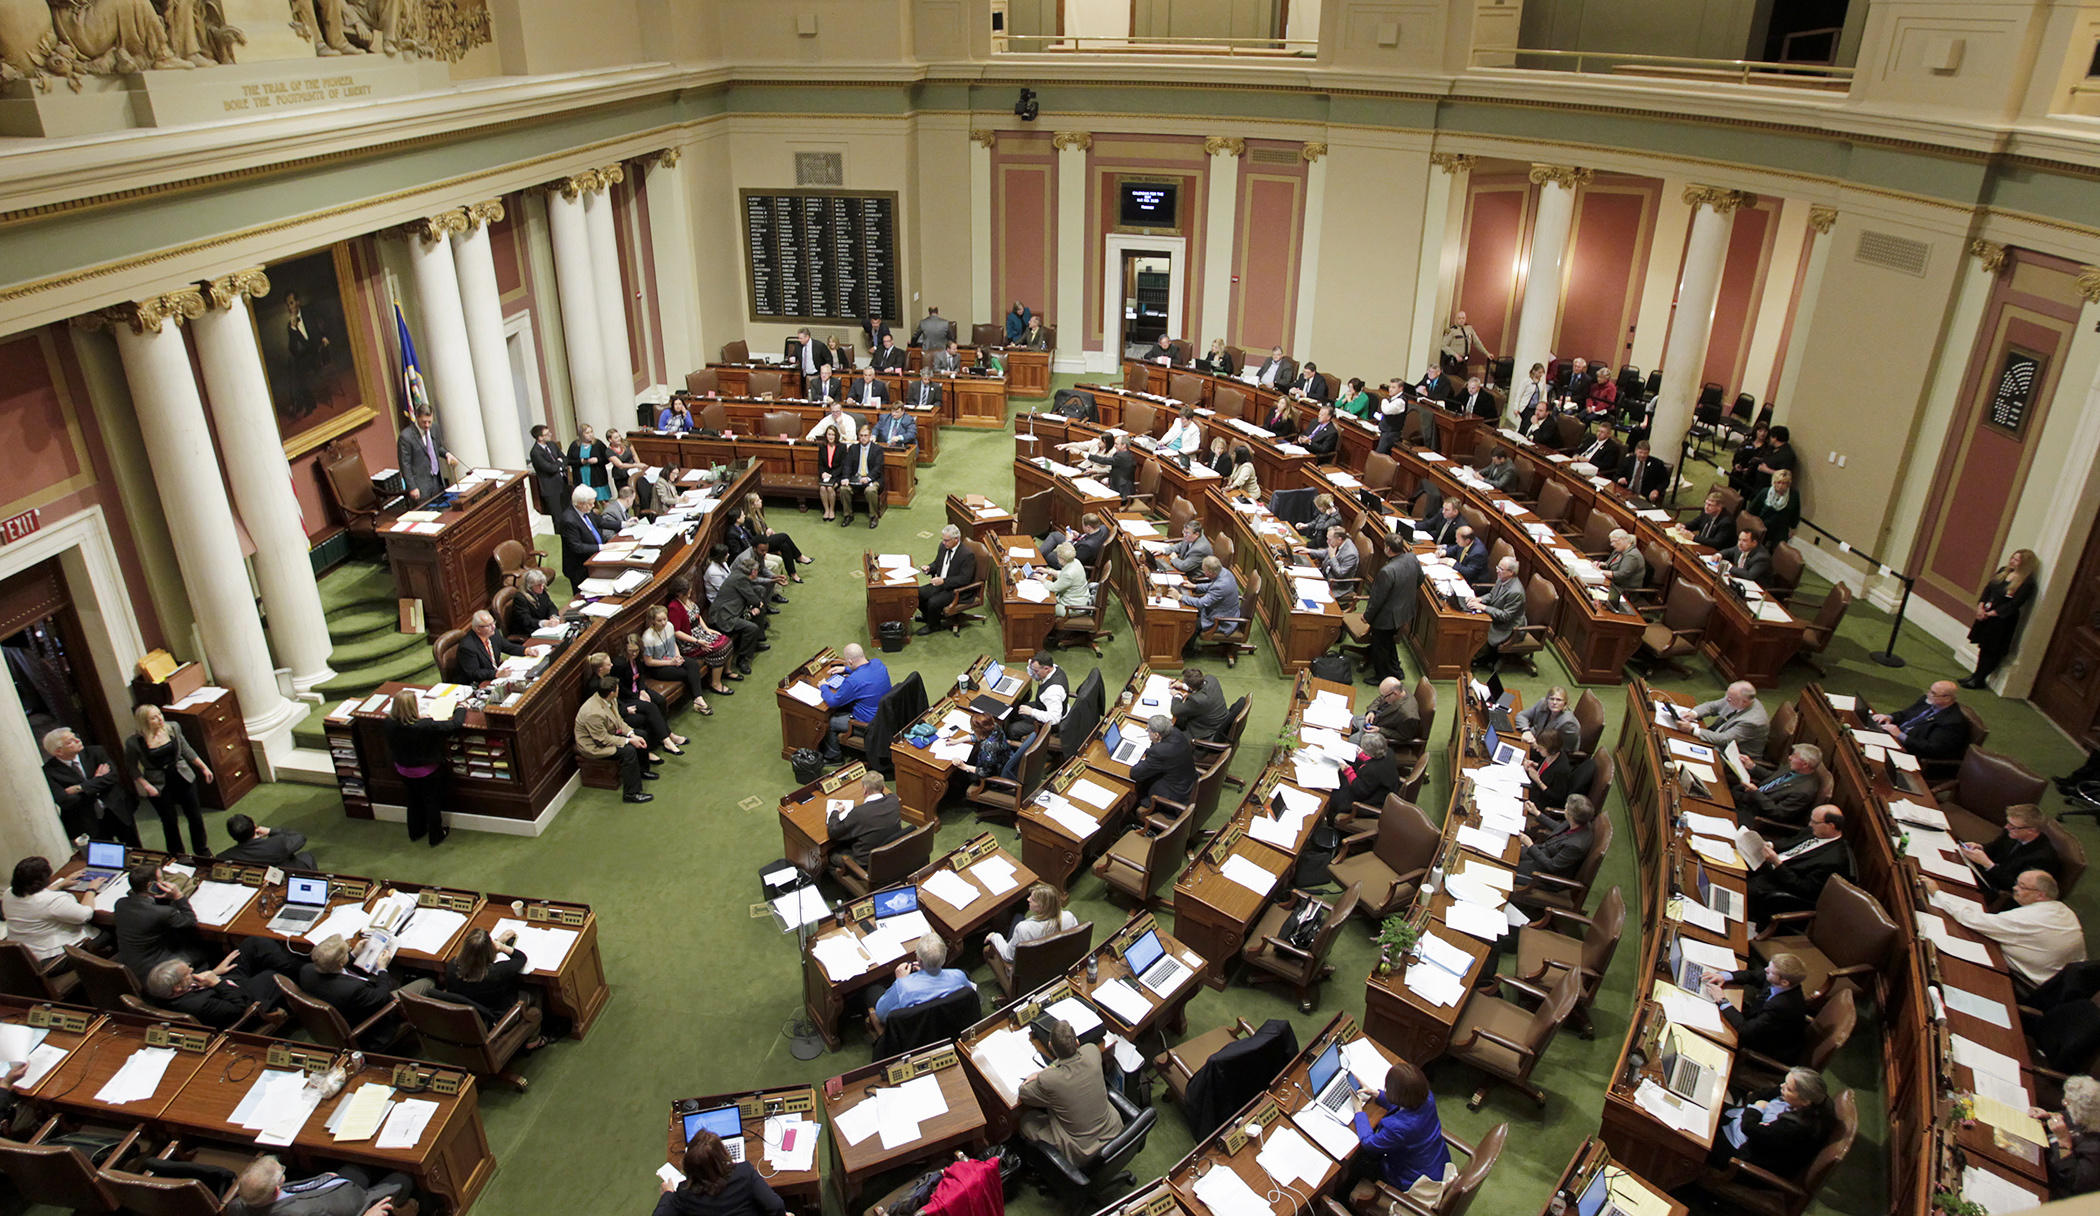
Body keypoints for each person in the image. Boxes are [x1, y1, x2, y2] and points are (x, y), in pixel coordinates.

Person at [1928, 869, 2088, 989]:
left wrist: (1937, 893)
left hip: (2026, 983)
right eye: (2017, 883)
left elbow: (1973, 920)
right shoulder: (2064, 911)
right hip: (2056, 980)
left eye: (2022, 886)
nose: (2015, 888)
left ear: (2040, 895)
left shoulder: (2028, 918)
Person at [299, 932, 435, 1046]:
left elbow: (334, 970)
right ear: (341, 963)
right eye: (346, 951)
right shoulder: (353, 989)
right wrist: (382, 968)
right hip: (374, 1025)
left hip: (346, 1008)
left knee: (396, 970)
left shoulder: (306, 970)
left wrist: (353, 954)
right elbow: (382, 997)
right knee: (427, 982)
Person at [1018, 1018, 1124, 1163]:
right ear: (1077, 1042)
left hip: (1083, 1150)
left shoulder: (1049, 1079)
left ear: (1050, 1046)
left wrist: (1041, 1073)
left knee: (1026, 1121)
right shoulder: (1092, 1051)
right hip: (1114, 1130)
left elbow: (1024, 1093)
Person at [144, 938, 300, 1029]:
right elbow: (239, 1008)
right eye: (188, 973)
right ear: (177, 988)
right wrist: (217, 982)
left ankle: (297, 966)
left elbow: (194, 985)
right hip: (243, 999)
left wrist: (216, 972)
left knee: (252, 944)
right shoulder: (201, 1006)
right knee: (272, 975)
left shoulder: (162, 990)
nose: (193, 971)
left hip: (222, 984)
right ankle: (304, 975)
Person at [1708, 1067, 1833, 1179]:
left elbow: (1750, 1128)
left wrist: (1758, 1108)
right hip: (1740, 1119)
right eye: (1784, 1082)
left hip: (1744, 1155)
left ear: (1805, 1102)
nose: (1782, 1087)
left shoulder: (1796, 1127)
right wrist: (1758, 1111)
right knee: (1704, 1103)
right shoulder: (1793, 1093)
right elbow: (1756, 1095)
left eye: (1788, 1088)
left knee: (1698, 1136)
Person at [1350, 1060, 1451, 1194]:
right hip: (1436, 1163)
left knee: (1357, 1164)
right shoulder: (1427, 1098)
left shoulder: (1399, 1127)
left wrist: (1358, 1111)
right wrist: (1376, 1094)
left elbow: (1369, 1144)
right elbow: (1407, 1103)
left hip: (1412, 1180)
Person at [124, 703, 212, 855]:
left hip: (182, 776)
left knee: (194, 816)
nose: (160, 719)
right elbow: (131, 767)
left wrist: (203, 767)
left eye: (160, 714)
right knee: (169, 821)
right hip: (158, 783)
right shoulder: (134, 742)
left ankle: (202, 851)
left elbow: (186, 749)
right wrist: (146, 785)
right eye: (154, 717)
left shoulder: (173, 728)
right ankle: (178, 855)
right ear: (144, 722)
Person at [383, 688, 465, 846]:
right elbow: (455, 724)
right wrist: (461, 708)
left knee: (412, 800)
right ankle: (436, 835)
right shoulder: (424, 725)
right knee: (431, 801)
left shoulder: (389, 723)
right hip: (426, 770)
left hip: (403, 769)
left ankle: (415, 832)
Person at [441, 926, 547, 1048]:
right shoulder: (495, 972)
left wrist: (497, 941)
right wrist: (501, 946)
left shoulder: (452, 966)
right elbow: (520, 958)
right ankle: (533, 1039)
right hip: (496, 1019)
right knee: (536, 988)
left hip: (468, 1017)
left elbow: (475, 956)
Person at [1746, 807, 1852, 924]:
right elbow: (1790, 842)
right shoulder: (1815, 831)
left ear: (1830, 826)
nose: (1810, 825)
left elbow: (1804, 888)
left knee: (1739, 888)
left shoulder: (1833, 860)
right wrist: (1770, 845)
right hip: (1768, 865)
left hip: (1778, 883)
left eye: (1814, 822)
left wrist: (1777, 863)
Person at [1701, 953, 1811, 1063]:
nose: (1766, 970)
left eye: (1771, 971)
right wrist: (1724, 976)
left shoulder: (1782, 1006)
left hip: (1768, 1047)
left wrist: (1722, 1000)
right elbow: (1753, 975)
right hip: (1757, 1022)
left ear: (1784, 982)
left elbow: (1746, 1030)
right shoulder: (1781, 981)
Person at [226, 1155, 415, 1216]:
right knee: (405, 1177)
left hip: (334, 1187)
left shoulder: (238, 1205)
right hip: (360, 1205)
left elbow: (298, 1189)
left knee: (359, 1163)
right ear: (275, 1189)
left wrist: (321, 1180)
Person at [655, 1128, 785, 1216]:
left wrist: (668, 1194)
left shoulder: (684, 1194)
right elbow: (776, 1206)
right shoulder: (744, 1173)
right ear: (722, 1155)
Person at [44, 727, 138, 845]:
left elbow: (112, 777)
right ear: (59, 751)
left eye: (75, 737)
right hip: (89, 820)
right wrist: (97, 781)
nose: (78, 740)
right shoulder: (50, 771)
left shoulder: (96, 752)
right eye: (70, 741)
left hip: (116, 809)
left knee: (134, 848)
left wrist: (80, 788)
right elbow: (65, 801)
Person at [113, 861, 207, 977]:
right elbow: (190, 921)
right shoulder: (162, 912)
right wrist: (178, 896)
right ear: (150, 886)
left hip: (130, 963)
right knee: (204, 952)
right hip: (156, 970)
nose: (164, 882)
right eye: (161, 879)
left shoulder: (120, 903)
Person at [867, 936, 972, 1037]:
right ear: (944, 958)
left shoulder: (903, 987)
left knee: (872, 990)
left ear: (919, 959)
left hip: (915, 1036)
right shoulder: (959, 976)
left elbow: (881, 1015)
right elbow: (969, 998)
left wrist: (899, 981)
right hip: (948, 1028)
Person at [1967, 547, 2039, 688]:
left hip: (2002, 621)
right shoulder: (2003, 571)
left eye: (2016, 560)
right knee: (1983, 646)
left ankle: (1981, 678)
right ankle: (1975, 674)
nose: (2012, 561)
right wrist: (1981, 607)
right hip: (1986, 614)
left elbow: (2015, 603)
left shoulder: (2027, 583)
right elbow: (1988, 589)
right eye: (2012, 557)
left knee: (1992, 649)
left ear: (2024, 564)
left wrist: (1992, 614)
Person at [4, 856, 101, 961]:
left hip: (26, 955)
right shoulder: (52, 901)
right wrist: (91, 889)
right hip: (55, 958)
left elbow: (33, 898)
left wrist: (60, 884)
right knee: (108, 933)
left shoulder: (8, 894)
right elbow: (85, 915)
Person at [1962, 805, 2059, 898]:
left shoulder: (2042, 858)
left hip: (1996, 889)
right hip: (1985, 874)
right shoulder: (2013, 832)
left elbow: (2016, 886)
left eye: (2012, 826)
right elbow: (1994, 847)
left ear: (2030, 830)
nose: (2006, 827)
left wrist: (1988, 865)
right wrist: (1980, 847)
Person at [664, 574, 736, 699]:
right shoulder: (674, 607)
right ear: (680, 593)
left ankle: (727, 671)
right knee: (720, 648)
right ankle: (715, 684)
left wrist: (707, 629)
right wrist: (698, 641)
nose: (690, 592)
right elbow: (676, 632)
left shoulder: (688, 599)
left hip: (700, 633)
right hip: (689, 641)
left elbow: (697, 616)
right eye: (688, 591)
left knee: (727, 640)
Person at [818, 644, 891, 763]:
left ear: (850, 661)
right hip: (885, 716)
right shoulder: (878, 663)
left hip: (868, 725)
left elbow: (833, 702)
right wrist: (845, 669)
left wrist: (824, 687)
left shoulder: (853, 681)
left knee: (830, 721)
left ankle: (833, 757)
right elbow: (865, 670)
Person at [1366, 533, 1423, 683]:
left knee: (1380, 646)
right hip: (1404, 611)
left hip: (1387, 617)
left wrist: (1366, 616)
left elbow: (1377, 599)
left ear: (1388, 548)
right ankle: (1396, 670)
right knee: (1389, 642)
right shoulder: (1412, 557)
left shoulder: (1387, 571)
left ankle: (1381, 676)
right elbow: (1420, 579)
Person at [1731, 744, 1828, 830]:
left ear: (1805, 764)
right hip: (1745, 798)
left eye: (1794, 756)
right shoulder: (1796, 769)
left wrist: (1755, 793)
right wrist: (1752, 767)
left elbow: (1778, 813)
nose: (1790, 758)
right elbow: (1773, 778)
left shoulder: (1803, 791)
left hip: (1754, 814)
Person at [1871, 680, 1972, 760]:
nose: (1928, 694)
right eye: (1930, 690)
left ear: (1947, 699)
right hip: (1892, 736)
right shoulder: (1926, 701)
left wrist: (1900, 735)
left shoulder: (1952, 722)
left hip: (1908, 750)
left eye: (1933, 693)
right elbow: (1904, 713)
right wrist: (1889, 717)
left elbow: (1932, 748)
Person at [830, 771, 907, 876]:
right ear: (883, 787)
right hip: (890, 854)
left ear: (865, 789)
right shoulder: (893, 800)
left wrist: (835, 812)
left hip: (866, 865)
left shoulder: (859, 813)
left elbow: (833, 832)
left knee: (832, 854)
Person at [641, 606, 713, 717]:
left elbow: (673, 643)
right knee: (686, 674)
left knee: (692, 664)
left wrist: (678, 655)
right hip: (658, 667)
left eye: (665, 619)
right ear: (652, 621)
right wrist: (670, 663)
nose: (663, 623)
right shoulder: (648, 638)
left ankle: (698, 699)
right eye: (659, 621)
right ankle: (698, 700)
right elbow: (649, 662)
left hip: (673, 659)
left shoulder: (669, 626)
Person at [1514, 795, 1597, 890]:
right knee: (1512, 850)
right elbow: (1560, 829)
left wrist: (1530, 845)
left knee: (1509, 867)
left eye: (1566, 808)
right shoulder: (1581, 822)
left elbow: (1551, 866)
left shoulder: (1576, 846)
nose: (1565, 809)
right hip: (1544, 853)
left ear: (1571, 815)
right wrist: (1536, 813)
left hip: (1546, 875)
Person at [985, 884, 1081, 963]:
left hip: (1034, 970)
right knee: (1018, 917)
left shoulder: (1023, 928)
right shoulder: (1069, 917)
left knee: (1017, 919)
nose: (1028, 899)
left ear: (1044, 906)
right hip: (1059, 960)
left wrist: (995, 936)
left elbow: (1008, 957)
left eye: (1033, 899)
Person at [2040, 1074, 2100, 1198]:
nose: (2063, 1102)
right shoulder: (2087, 1116)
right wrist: (2049, 1115)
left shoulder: (2095, 1149)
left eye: (2067, 1102)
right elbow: (2068, 1115)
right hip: (2041, 1152)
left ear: (2083, 1112)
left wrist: (2064, 1141)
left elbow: (2072, 1181)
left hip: (2048, 1184)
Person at [1676, 682, 1771, 755]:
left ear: (1745, 702)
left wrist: (1692, 730)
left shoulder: (1752, 722)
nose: (1726, 700)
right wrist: (1693, 714)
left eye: (1730, 699)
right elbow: (1712, 706)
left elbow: (1724, 739)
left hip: (1732, 755)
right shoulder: (1737, 699)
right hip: (1717, 737)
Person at [917, 525, 979, 635]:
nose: (944, 542)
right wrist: (930, 567)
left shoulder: (967, 555)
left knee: (933, 602)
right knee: (917, 593)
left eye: (946, 540)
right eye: (943, 539)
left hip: (956, 589)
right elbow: (937, 563)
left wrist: (944, 581)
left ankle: (934, 626)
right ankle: (929, 617)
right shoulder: (943, 547)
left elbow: (964, 579)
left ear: (956, 539)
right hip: (942, 584)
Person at [1127, 714, 1197, 808]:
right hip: (1187, 783)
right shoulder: (1176, 733)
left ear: (1157, 735)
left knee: (1136, 791)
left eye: (1148, 730)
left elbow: (1135, 774)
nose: (1147, 732)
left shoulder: (1160, 752)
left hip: (1172, 796)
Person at [1469, 556, 1526, 670]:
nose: (1497, 570)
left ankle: (1480, 657)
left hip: (1508, 627)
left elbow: (1506, 616)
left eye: (1501, 568)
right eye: (1498, 567)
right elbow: (1492, 595)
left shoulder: (1516, 592)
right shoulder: (1502, 578)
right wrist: (1479, 599)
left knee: (1479, 629)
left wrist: (1483, 607)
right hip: (1498, 616)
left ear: (1511, 572)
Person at [395, 404, 456, 504]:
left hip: (437, 481)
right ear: (417, 417)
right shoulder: (406, 437)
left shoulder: (434, 428)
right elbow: (405, 465)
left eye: (429, 422)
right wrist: (412, 487)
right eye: (424, 422)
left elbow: (437, 447)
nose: (427, 425)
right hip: (420, 486)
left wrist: (446, 454)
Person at [1331, 733, 1401, 818]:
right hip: (1384, 788)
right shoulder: (1389, 752)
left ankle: (1332, 822)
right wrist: (1364, 757)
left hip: (1373, 801)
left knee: (1335, 797)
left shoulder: (1371, 770)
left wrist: (1348, 771)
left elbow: (1359, 790)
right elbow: (1376, 761)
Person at [1351, 677, 1422, 755]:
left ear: (1395, 693)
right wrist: (1371, 711)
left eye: (1384, 696)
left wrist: (1379, 730)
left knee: (1349, 742)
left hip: (1379, 734)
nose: (1383, 698)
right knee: (1345, 723)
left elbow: (1404, 736)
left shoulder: (1408, 716)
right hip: (1374, 720)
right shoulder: (1399, 689)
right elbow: (1379, 699)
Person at [219, 814, 317, 870]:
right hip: (286, 875)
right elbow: (299, 837)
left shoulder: (226, 856)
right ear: (254, 826)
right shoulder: (278, 843)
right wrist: (270, 831)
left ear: (232, 836)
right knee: (306, 855)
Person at [457, 610, 528, 686]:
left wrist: (526, 650)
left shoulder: (493, 634)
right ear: (478, 629)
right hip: (479, 684)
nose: (493, 627)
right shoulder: (467, 647)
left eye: (493, 623)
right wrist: (497, 673)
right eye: (488, 625)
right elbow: (474, 673)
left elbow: (507, 646)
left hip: (496, 677)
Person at [1180, 556, 1242, 638]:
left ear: (1210, 572)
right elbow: (1211, 585)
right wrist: (1195, 586)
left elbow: (1201, 603)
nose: (1203, 572)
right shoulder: (1224, 572)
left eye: (1203, 570)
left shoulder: (1221, 586)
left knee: (1187, 623)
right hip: (1222, 611)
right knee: (1187, 613)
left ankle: (1189, 649)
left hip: (1221, 621)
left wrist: (1180, 597)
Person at [557, 485, 606, 588]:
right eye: (590, 503)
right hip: (579, 567)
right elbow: (577, 547)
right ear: (580, 503)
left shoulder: (586, 510)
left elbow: (601, 522)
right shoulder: (569, 520)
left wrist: (624, 524)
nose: (593, 506)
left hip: (593, 559)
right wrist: (602, 547)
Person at [1515, 685, 1579, 755]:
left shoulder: (1568, 722)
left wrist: (1539, 747)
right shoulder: (1542, 704)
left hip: (1549, 753)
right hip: (1534, 740)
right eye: (1551, 699)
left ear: (1565, 703)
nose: (1554, 702)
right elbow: (1522, 715)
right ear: (1547, 700)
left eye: (1559, 700)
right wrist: (1526, 730)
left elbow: (1565, 749)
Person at [840, 430, 886, 528]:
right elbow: (847, 465)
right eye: (861, 435)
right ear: (858, 437)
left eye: (866, 435)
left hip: (873, 479)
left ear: (870, 436)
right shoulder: (853, 448)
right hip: (856, 478)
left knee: (871, 490)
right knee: (844, 489)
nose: (863, 438)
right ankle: (848, 515)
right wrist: (846, 478)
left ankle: (873, 517)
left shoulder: (877, 449)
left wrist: (868, 478)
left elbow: (878, 467)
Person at [1014, 652, 1069, 733]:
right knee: (1016, 710)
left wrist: (1032, 712)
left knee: (1013, 729)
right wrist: (1031, 666)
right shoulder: (1054, 668)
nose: (1034, 673)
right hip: (1043, 706)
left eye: (1036, 671)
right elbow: (1036, 677)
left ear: (1046, 669)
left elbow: (1055, 719)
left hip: (1050, 723)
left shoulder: (1053, 692)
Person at [1170, 667, 1229, 742]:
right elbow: (1201, 688)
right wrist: (1183, 686)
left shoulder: (1197, 701)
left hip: (1205, 732)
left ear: (1190, 686)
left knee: (1170, 737)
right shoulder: (1211, 679)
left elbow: (1175, 710)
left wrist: (1177, 696)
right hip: (1218, 721)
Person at [1747, 467, 1800, 546]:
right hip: (1762, 528)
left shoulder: (1794, 495)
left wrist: (1793, 528)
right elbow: (1752, 510)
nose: (1781, 485)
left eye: (1784, 483)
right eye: (1778, 482)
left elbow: (1796, 514)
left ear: (1788, 484)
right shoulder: (1765, 493)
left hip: (1780, 532)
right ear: (1774, 482)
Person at [527, 424, 568, 518]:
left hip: (563, 483)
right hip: (551, 488)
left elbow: (565, 459)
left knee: (568, 511)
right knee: (558, 516)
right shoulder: (535, 452)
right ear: (540, 438)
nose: (550, 434)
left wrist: (560, 464)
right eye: (547, 434)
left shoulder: (552, 444)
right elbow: (550, 468)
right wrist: (559, 462)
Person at [507, 567, 562, 637]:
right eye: (538, 585)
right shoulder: (520, 598)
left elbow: (550, 605)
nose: (542, 587)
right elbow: (526, 620)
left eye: (542, 584)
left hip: (544, 629)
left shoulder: (541, 591)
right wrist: (543, 623)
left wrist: (553, 616)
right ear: (529, 586)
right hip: (528, 632)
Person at [1084, 433, 1138, 499]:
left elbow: (1104, 460)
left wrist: (1085, 454)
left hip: (1123, 494)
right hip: (1116, 486)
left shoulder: (1122, 456)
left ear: (1124, 445)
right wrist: (1109, 479)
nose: (1114, 446)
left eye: (1116, 444)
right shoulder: (1126, 454)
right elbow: (1120, 471)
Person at [567, 422, 610, 502]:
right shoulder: (575, 445)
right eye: (587, 433)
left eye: (591, 432)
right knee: (587, 501)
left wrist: (597, 460)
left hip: (597, 477)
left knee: (603, 501)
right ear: (581, 434)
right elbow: (569, 461)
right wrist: (580, 462)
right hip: (581, 477)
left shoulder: (598, 444)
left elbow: (607, 458)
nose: (590, 434)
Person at [1729, 420, 1773, 496]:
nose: (1763, 433)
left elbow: (1764, 463)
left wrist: (1750, 470)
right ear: (1756, 431)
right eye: (1760, 430)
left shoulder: (1767, 448)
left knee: (1744, 498)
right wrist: (1736, 464)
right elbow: (1737, 456)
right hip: (1738, 473)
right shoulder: (1746, 443)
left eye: (1765, 431)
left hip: (1751, 477)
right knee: (1730, 494)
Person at [1045, 543, 1090, 617]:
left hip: (1071, 607)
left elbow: (1053, 588)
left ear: (1062, 559)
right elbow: (1063, 575)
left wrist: (1041, 579)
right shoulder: (1076, 562)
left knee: (1042, 607)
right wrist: (1048, 571)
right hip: (1079, 599)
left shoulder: (1068, 574)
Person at [1601, 528, 1646, 594]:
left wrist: (1600, 571)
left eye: (1614, 541)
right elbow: (1609, 563)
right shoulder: (1619, 549)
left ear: (1623, 540)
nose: (1613, 544)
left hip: (1625, 591)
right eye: (1612, 542)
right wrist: (1600, 564)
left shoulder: (1632, 556)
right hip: (1613, 584)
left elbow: (1620, 575)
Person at [603, 429, 640, 493]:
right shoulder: (609, 452)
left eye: (619, 436)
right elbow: (620, 465)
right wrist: (636, 465)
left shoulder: (627, 443)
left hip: (632, 472)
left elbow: (634, 455)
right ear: (610, 440)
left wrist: (639, 467)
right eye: (616, 438)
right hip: (621, 476)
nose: (619, 438)